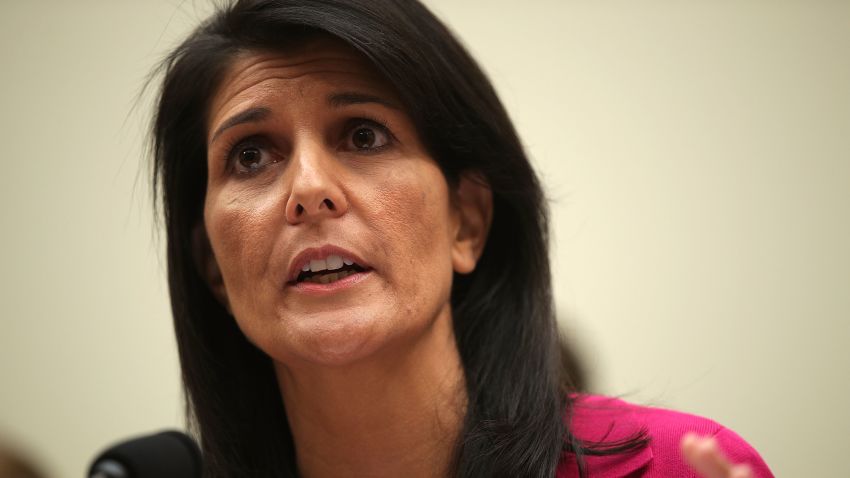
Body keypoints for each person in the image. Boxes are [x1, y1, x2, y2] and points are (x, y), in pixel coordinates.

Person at [150, 1, 773, 476]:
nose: (309, 189)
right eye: (251, 155)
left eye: (363, 135)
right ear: (212, 266)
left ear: (466, 221)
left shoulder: (677, 467)